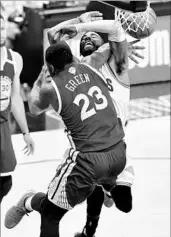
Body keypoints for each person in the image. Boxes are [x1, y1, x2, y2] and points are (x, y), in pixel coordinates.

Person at [5, 25, 128, 236]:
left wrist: (39, 80)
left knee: (51, 214)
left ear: (51, 69)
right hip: (118, 154)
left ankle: (28, 201)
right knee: (96, 190)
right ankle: (107, 188)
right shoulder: (92, 62)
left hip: (88, 161)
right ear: (73, 57)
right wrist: (126, 48)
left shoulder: (50, 89)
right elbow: (113, 46)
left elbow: (33, 108)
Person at [48, 15, 144, 237]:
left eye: (95, 36)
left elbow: (115, 28)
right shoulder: (74, 73)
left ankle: (107, 188)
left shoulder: (117, 66)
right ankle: (90, 228)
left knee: (125, 205)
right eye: (83, 38)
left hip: (115, 142)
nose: (89, 36)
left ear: (107, 47)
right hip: (88, 145)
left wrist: (79, 25)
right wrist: (74, 21)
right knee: (91, 183)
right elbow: (52, 37)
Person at [0, 14, 35, 204]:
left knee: (5, 182)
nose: (0, 33)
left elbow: (15, 98)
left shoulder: (15, 59)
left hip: (3, 126)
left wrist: (25, 132)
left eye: (2, 28)